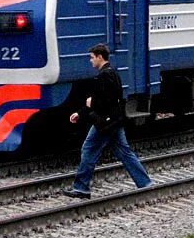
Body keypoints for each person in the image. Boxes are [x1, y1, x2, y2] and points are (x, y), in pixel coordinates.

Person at [63, 44, 153, 199]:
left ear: (99, 57)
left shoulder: (104, 76)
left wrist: (90, 106)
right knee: (125, 153)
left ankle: (81, 188)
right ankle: (145, 183)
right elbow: (112, 99)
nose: (91, 61)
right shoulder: (113, 73)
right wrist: (81, 112)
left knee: (89, 150)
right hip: (114, 122)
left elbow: (104, 102)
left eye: (92, 57)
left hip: (103, 124)